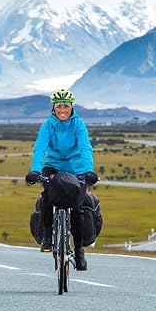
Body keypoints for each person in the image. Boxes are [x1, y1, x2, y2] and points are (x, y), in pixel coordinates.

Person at [25, 89, 98, 271]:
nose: (62, 109)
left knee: (78, 209)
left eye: (66, 105)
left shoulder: (79, 125)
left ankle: (79, 250)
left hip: (77, 168)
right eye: (59, 106)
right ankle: (48, 237)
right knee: (48, 199)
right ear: (54, 108)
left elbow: (85, 148)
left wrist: (89, 170)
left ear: (71, 107)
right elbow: (39, 148)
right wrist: (35, 170)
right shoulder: (48, 125)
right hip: (53, 167)